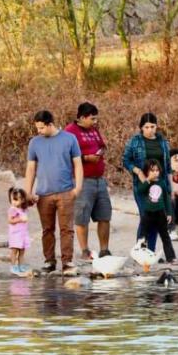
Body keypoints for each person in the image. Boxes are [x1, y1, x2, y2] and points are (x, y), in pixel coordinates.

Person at [23, 110, 83, 275]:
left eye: (41, 128)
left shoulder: (69, 139)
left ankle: (67, 262)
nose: (39, 131)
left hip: (66, 191)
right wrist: (28, 192)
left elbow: (78, 164)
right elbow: (31, 168)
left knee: (66, 229)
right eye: (37, 128)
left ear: (50, 124)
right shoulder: (35, 142)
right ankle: (49, 261)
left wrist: (77, 188)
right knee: (47, 229)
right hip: (43, 194)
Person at [65, 102, 112, 260]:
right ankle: (85, 250)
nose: (95, 121)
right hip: (82, 180)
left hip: (100, 180)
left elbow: (102, 145)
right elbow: (66, 156)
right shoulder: (70, 132)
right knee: (82, 216)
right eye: (92, 119)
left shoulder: (94, 130)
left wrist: (100, 152)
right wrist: (86, 158)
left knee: (105, 215)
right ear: (82, 117)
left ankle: (104, 250)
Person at [122, 112, 173, 240]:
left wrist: (170, 186)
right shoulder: (135, 141)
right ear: (141, 127)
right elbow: (126, 160)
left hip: (159, 184)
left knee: (156, 217)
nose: (150, 130)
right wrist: (138, 171)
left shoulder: (163, 142)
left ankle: (150, 251)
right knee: (145, 217)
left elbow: (167, 166)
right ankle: (140, 249)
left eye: (152, 127)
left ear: (156, 127)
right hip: (143, 184)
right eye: (146, 127)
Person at [137, 161, 176, 265]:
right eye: (152, 170)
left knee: (165, 236)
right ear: (147, 172)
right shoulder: (146, 183)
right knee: (143, 236)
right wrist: (148, 180)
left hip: (160, 213)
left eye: (157, 170)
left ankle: (171, 257)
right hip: (147, 213)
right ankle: (142, 257)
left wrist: (169, 213)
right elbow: (140, 191)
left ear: (160, 171)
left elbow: (166, 199)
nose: (155, 173)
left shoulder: (162, 182)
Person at [7, 187, 31, 276]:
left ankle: (21, 265)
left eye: (17, 200)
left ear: (23, 200)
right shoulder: (13, 209)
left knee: (22, 251)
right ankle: (13, 266)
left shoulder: (23, 209)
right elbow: (10, 221)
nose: (14, 202)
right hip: (15, 234)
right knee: (14, 251)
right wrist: (20, 219)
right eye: (13, 199)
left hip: (23, 234)